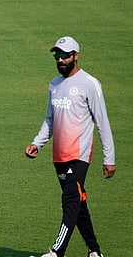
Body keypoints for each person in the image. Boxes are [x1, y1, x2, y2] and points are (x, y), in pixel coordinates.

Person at [25, 36, 116, 257]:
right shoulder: (54, 85)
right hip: (59, 156)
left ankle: (57, 251)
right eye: (57, 56)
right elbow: (50, 119)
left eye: (65, 55)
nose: (60, 60)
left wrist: (109, 158)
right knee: (78, 202)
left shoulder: (89, 84)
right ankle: (94, 251)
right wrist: (38, 143)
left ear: (76, 56)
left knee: (70, 200)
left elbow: (102, 121)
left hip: (79, 155)